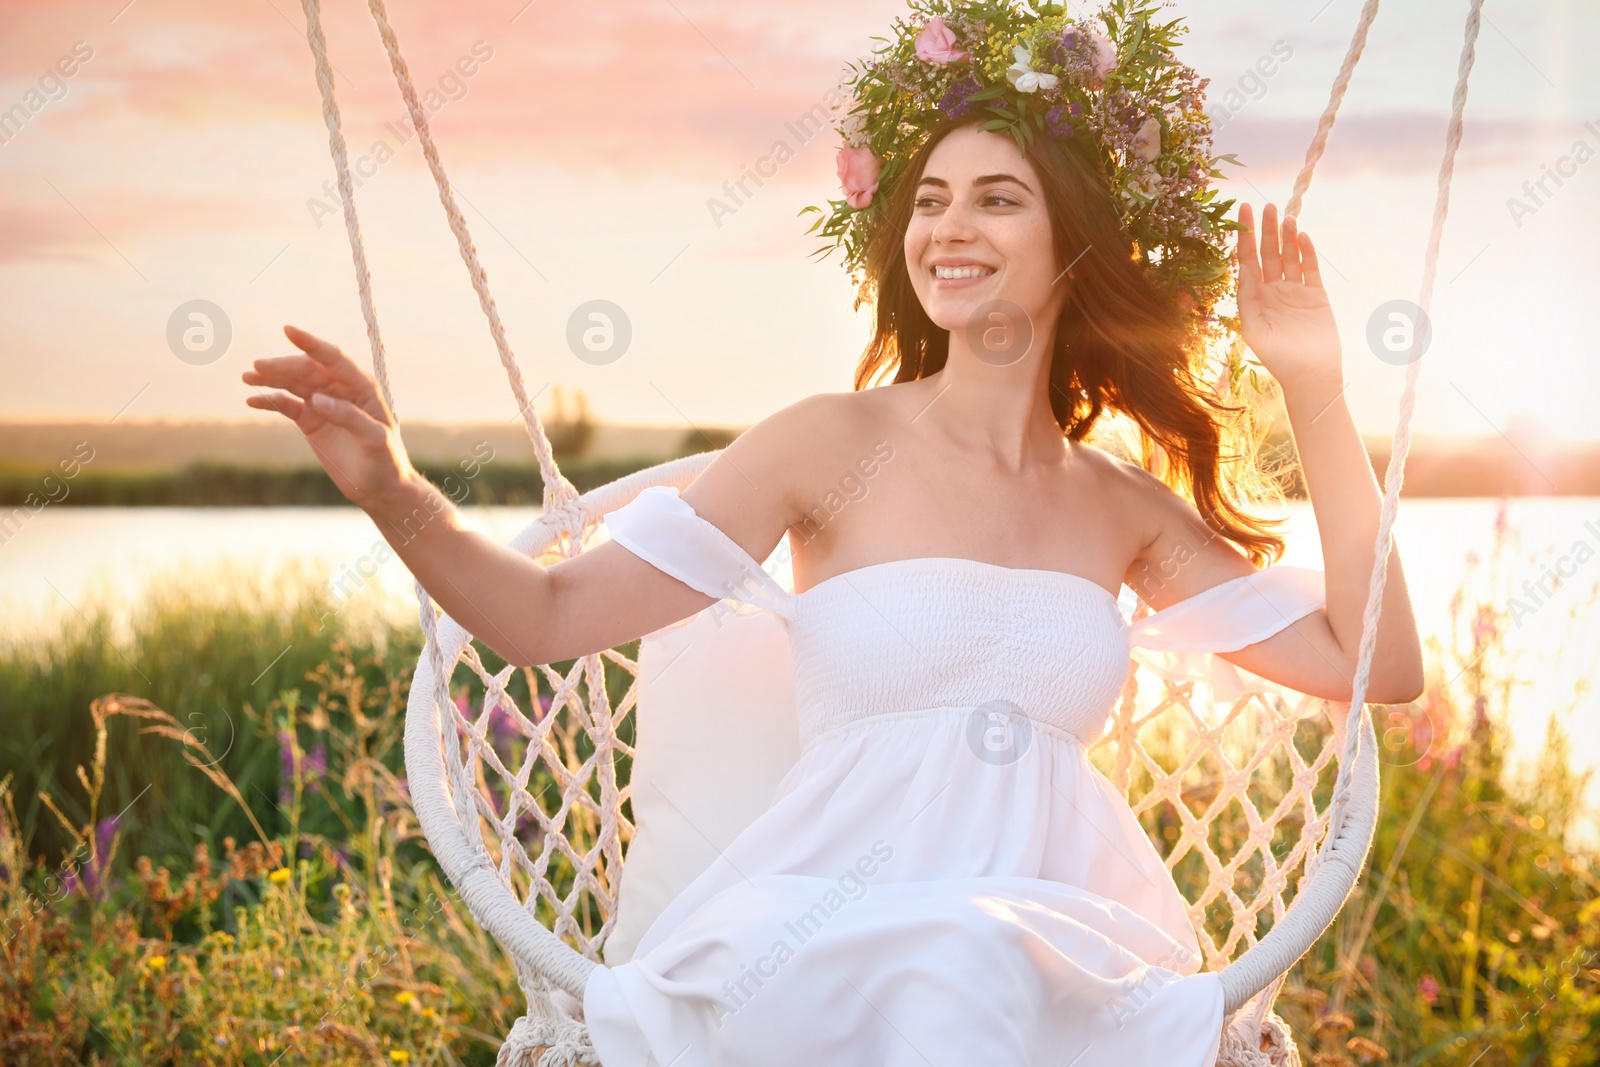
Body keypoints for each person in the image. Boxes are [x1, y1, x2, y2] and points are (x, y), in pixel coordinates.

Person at [244, 3, 1423, 1062]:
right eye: (928, 199)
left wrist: (1314, 389)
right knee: (950, 967)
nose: (947, 229)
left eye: (996, 198)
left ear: (1075, 242)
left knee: (982, 962)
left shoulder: (1119, 507)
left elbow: (1375, 662)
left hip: (1058, 938)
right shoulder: (822, 445)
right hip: (816, 930)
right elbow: (546, 618)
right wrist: (393, 486)